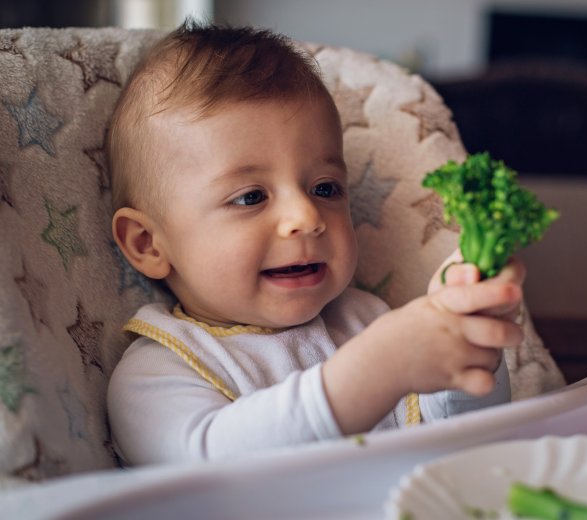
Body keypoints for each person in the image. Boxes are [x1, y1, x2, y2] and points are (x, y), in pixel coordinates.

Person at [106, 21, 526, 465]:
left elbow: (467, 447)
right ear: (148, 244)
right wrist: (377, 368)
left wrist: (468, 347)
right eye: (251, 197)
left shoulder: (365, 321)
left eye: (325, 189)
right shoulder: (159, 369)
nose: (306, 218)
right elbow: (215, 471)